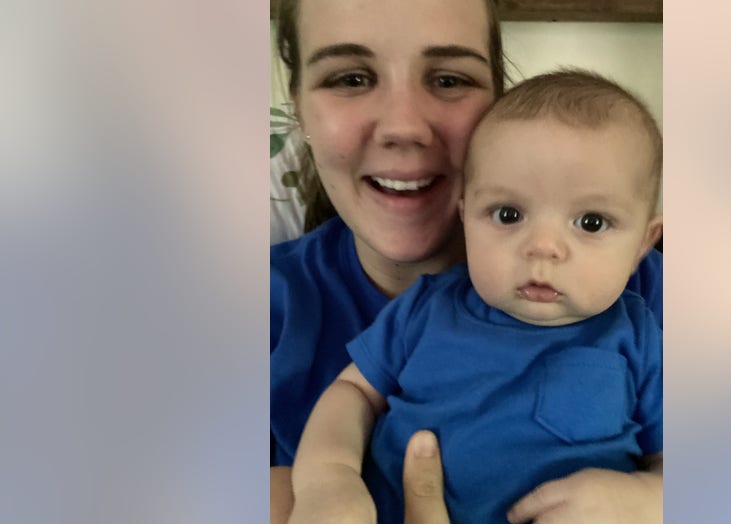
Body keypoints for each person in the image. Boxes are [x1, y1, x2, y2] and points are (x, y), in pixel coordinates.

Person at [270, 0, 663, 520]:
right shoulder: (416, 310)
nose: (403, 127)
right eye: (351, 77)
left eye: (450, 79)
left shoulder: (649, 312)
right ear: (296, 104)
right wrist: (326, 480)